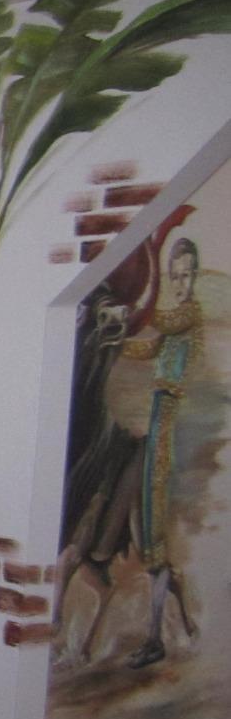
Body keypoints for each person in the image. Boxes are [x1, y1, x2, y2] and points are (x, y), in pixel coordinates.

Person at [121, 236, 203, 668]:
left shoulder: (189, 313)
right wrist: (112, 340)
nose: (180, 283)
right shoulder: (175, 322)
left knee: (155, 535)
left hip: (172, 422)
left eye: (186, 275)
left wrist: (136, 310)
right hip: (160, 418)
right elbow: (147, 347)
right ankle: (170, 628)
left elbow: (162, 322)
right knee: (149, 533)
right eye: (175, 276)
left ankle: (156, 637)